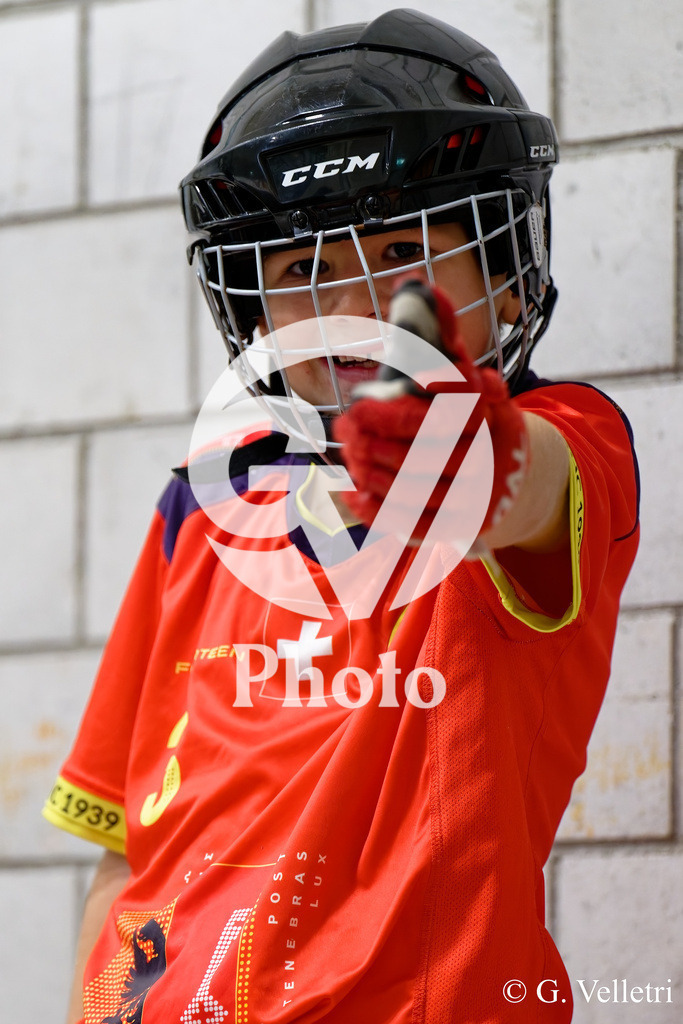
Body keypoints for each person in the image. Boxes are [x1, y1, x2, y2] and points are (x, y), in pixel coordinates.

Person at [45, 9, 639, 1023]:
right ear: (252, 313)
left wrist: (461, 446)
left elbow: (515, 489)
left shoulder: (566, 439)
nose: (355, 303)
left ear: (504, 283)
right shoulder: (202, 499)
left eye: (404, 251)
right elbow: (127, 855)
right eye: (303, 271)